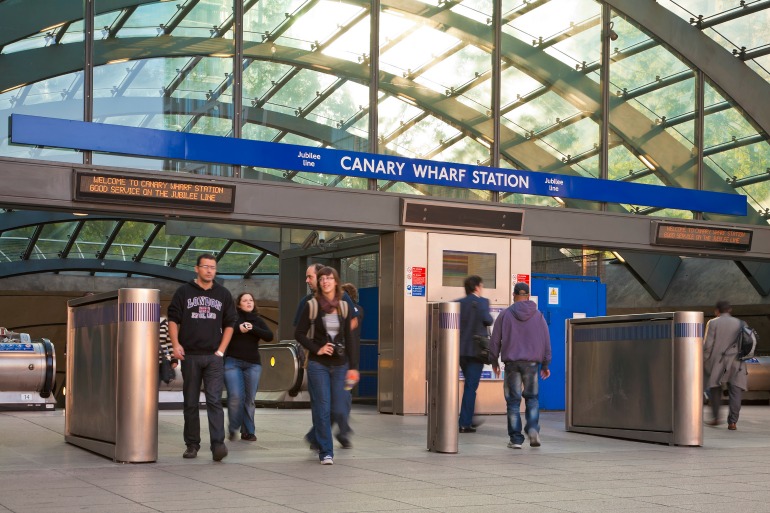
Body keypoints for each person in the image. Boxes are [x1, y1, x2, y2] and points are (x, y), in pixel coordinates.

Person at [168, 254, 238, 461]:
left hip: (213, 357)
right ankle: (192, 444)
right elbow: (173, 319)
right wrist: (176, 344)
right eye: (206, 267)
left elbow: (230, 323)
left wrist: (221, 350)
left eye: (213, 267)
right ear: (196, 269)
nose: (209, 270)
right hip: (190, 355)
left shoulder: (223, 294)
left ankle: (218, 444)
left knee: (214, 400)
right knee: (190, 402)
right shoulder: (183, 292)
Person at [295, 266, 359, 465]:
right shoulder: (311, 305)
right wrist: (318, 348)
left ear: (336, 281)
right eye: (322, 278)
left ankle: (316, 438)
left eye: (329, 278)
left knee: (339, 408)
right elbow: (299, 333)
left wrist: (354, 367)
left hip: (340, 365)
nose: (325, 282)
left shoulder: (344, 305)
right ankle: (326, 451)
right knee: (322, 408)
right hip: (318, 364)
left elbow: (350, 337)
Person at [490, 282, 551, 449]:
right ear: (528, 296)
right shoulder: (538, 315)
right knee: (532, 399)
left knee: (513, 402)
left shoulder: (505, 315)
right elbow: (546, 340)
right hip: (531, 364)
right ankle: (532, 429)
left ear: (514, 295)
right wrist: (545, 364)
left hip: (512, 364)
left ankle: (516, 439)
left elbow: (495, 340)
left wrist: (493, 360)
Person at [225, 292, 274, 442]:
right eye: (245, 300)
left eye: (251, 300)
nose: (248, 302)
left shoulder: (257, 320)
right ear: (239, 304)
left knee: (250, 399)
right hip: (233, 362)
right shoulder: (232, 318)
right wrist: (239, 328)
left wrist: (252, 328)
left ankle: (248, 431)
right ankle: (234, 427)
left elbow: (269, 336)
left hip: (253, 364)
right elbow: (225, 332)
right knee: (235, 396)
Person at [457, 275, 493, 433]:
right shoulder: (482, 302)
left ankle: (469, 417)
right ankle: (464, 422)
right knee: (471, 386)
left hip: (460, 351)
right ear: (477, 287)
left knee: (469, 385)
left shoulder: (458, 303)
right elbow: (488, 320)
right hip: (476, 351)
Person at [703, 300, 747, 430]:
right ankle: (732, 422)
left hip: (718, 361)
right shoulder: (741, 323)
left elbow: (707, 345)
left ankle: (716, 418)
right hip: (737, 361)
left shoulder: (713, 323)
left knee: (715, 389)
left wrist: (704, 361)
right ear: (730, 310)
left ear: (717, 311)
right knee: (735, 390)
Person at [158, 315, 178, 382]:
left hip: (161, 362)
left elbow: (169, 343)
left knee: (155, 386)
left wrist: (173, 359)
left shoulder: (164, 322)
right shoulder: (139, 322)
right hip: (143, 362)